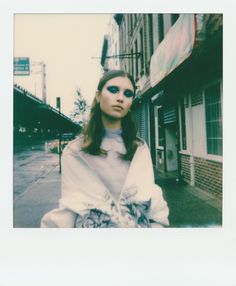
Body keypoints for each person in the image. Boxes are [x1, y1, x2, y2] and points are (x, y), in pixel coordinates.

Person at [41, 70, 169, 228]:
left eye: (128, 93)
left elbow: (151, 202)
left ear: (131, 103)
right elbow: (71, 207)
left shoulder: (139, 149)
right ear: (98, 96)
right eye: (113, 90)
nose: (120, 98)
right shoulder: (74, 152)